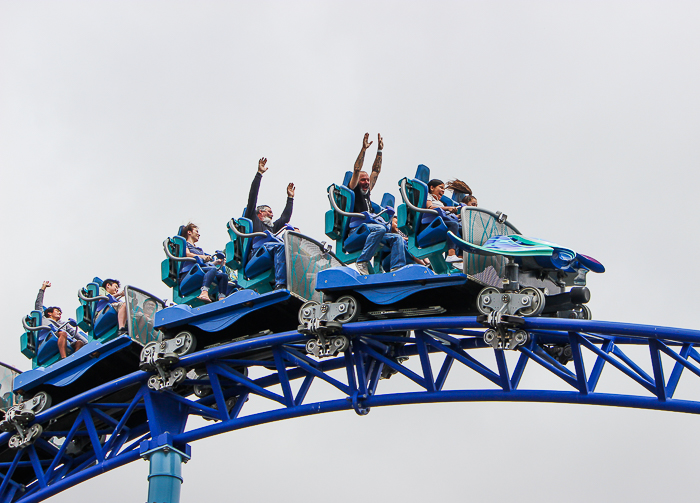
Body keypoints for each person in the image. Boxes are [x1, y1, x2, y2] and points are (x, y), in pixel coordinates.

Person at [347, 133, 406, 276]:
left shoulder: (367, 192)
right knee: (380, 229)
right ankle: (362, 261)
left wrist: (379, 151)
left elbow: (376, 171)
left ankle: (397, 270)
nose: (366, 182)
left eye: (367, 180)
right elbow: (356, 169)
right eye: (363, 180)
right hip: (357, 230)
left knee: (397, 238)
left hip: (371, 229)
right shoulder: (353, 190)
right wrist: (364, 149)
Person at [244, 157, 295, 290]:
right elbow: (252, 197)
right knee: (280, 247)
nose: (272, 214)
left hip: (270, 250)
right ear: (260, 212)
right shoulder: (253, 218)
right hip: (256, 254)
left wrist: (290, 198)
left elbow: (285, 218)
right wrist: (259, 174)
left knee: (291, 249)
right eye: (269, 211)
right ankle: (280, 285)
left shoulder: (272, 228)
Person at [181, 223, 237, 302]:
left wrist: (216, 262)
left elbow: (205, 265)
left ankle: (222, 299)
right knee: (212, 269)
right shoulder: (185, 244)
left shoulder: (199, 249)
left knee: (223, 276)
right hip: (190, 271)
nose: (198, 234)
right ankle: (204, 292)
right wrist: (203, 257)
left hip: (200, 268)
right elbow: (188, 254)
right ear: (189, 232)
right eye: (196, 231)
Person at [34, 281, 88, 359]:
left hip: (66, 340)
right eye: (57, 311)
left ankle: (73, 359)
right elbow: (38, 304)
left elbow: (75, 333)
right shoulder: (43, 319)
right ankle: (64, 357)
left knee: (79, 343)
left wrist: (88, 344)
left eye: (60, 312)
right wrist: (43, 288)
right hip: (48, 339)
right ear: (49, 313)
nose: (59, 313)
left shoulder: (63, 324)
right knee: (63, 333)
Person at [426, 179, 463, 264]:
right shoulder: (429, 196)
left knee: (463, 230)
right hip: (434, 221)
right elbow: (429, 207)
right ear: (432, 188)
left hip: (445, 219)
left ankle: (460, 258)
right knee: (453, 224)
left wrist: (459, 215)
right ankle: (451, 254)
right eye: (441, 188)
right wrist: (447, 208)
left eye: (444, 190)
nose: (443, 191)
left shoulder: (440, 202)